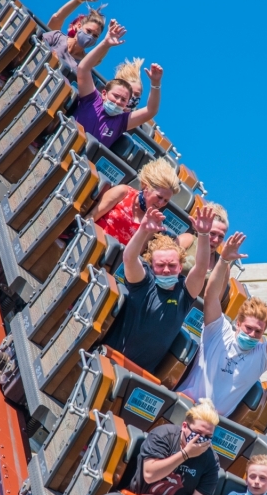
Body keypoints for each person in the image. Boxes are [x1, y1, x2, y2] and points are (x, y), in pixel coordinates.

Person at [178, 232, 267, 417]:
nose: (252, 334)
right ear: (238, 324)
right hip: (183, 406)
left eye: (258, 332)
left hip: (209, 426)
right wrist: (224, 261)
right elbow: (211, 295)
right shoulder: (218, 331)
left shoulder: (261, 357)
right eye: (249, 328)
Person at [104, 204, 215, 374]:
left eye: (172, 265)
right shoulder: (143, 282)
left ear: (180, 267)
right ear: (152, 265)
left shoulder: (184, 295)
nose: (166, 270)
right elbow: (129, 257)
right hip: (111, 358)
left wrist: (204, 235)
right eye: (160, 265)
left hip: (143, 374)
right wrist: (143, 230)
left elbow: (200, 268)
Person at [75, 20, 163, 148]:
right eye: (115, 96)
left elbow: (151, 110)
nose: (117, 101)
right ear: (104, 93)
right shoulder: (91, 99)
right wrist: (105, 43)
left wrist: (155, 83)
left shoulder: (121, 121)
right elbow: (83, 68)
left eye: (123, 100)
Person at [128, 399, 220, 495]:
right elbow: (149, 475)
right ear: (185, 426)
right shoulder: (164, 435)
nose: (201, 439)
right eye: (198, 433)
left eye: (208, 436)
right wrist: (185, 454)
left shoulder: (211, 460)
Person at [88, 158, 180, 245]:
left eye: (166, 201)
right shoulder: (123, 192)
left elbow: (135, 254)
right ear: (146, 187)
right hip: (90, 240)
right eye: (159, 197)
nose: (161, 203)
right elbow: (91, 217)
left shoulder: (155, 222)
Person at [42, 0, 106, 82]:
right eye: (88, 31)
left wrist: (108, 42)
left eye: (95, 36)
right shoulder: (57, 37)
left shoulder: (84, 64)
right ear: (79, 26)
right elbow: (57, 18)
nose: (90, 37)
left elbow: (98, 58)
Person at [179, 202, 228, 275]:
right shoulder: (188, 240)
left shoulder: (221, 264)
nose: (216, 240)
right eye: (212, 233)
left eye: (221, 236)